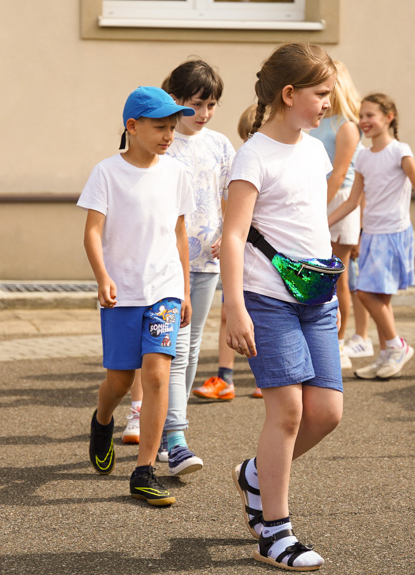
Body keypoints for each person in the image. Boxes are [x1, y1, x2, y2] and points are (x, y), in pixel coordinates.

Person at [222, 42, 343, 571]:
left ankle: (254, 474)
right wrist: (234, 308)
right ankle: (275, 531)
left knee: (327, 413)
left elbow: (310, 222)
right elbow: (232, 237)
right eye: (321, 94)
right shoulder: (252, 155)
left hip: (315, 299)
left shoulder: (315, 151)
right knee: (288, 411)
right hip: (266, 300)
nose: (328, 104)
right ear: (289, 95)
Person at [79, 86, 195, 507]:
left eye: (172, 127)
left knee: (158, 375)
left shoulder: (177, 173)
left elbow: (179, 233)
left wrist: (183, 290)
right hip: (121, 292)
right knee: (120, 380)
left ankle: (144, 470)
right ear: (132, 126)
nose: (169, 135)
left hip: (163, 290)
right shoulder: (107, 172)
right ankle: (102, 419)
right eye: (160, 127)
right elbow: (92, 232)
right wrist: (102, 276)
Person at [145, 59, 236, 475]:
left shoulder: (219, 145)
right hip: (168, 266)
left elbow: (234, 194)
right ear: (176, 101)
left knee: (191, 348)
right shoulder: (161, 145)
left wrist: (230, 232)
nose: (203, 114)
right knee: (177, 351)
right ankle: (177, 438)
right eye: (196, 104)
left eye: (211, 105)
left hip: (207, 264)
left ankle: (166, 433)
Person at [328, 92, 415, 379]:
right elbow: (352, 201)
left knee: (364, 293)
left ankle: (397, 345)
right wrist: (323, 222)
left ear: (389, 117)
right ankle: (387, 354)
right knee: (381, 300)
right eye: (361, 115)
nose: (363, 121)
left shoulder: (400, 151)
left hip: (394, 233)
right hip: (373, 234)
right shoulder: (362, 157)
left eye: (370, 115)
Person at [196, 103, 264, 401]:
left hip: (263, 256)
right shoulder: (242, 164)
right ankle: (225, 378)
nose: (249, 143)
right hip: (237, 251)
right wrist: (226, 234)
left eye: (255, 135)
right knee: (228, 313)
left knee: (263, 316)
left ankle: (266, 376)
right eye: (246, 137)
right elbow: (231, 209)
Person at [308, 60, 372, 370]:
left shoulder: (346, 125)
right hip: (317, 200)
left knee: (337, 279)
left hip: (338, 202)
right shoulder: (316, 122)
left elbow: (339, 174)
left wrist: (318, 211)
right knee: (319, 274)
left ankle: (339, 343)